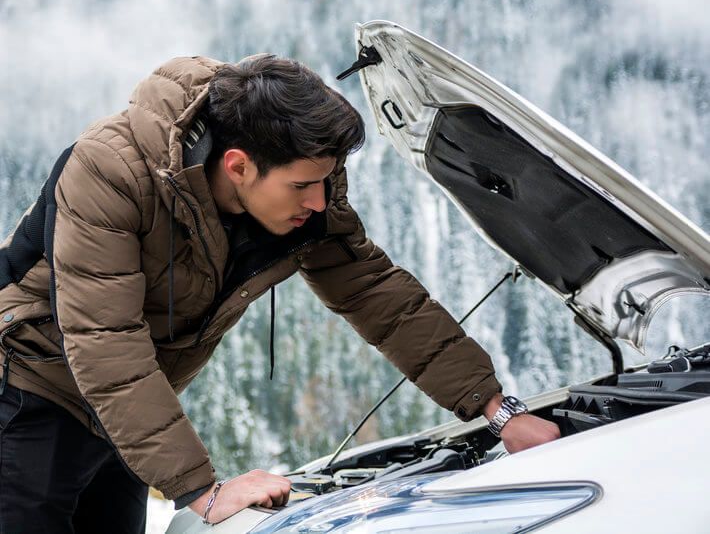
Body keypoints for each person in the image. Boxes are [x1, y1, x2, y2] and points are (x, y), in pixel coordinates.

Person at [0, 54, 560, 531]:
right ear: (239, 166)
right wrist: (204, 492)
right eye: (302, 186)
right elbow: (106, 342)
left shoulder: (302, 173)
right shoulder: (111, 171)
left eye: (326, 180)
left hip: (130, 408)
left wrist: (498, 410)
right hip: (29, 388)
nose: (318, 202)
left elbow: (375, 292)